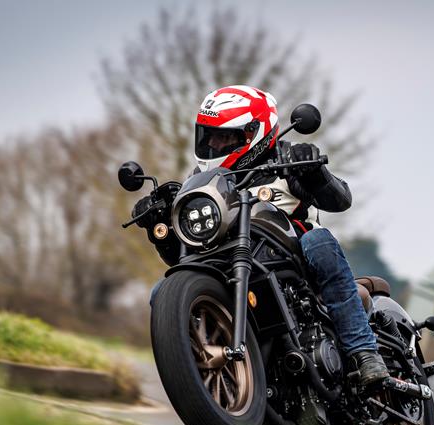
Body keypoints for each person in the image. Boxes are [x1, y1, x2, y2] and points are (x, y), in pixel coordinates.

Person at [140, 85, 389, 386]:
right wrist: (161, 230)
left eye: (226, 137)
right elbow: (184, 258)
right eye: (211, 136)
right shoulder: (199, 182)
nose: (216, 144)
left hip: (296, 258)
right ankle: (209, 371)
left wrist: (314, 173)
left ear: (255, 134)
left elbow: (341, 200)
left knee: (319, 242)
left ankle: (364, 352)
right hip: (229, 262)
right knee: (161, 291)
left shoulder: (287, 160)